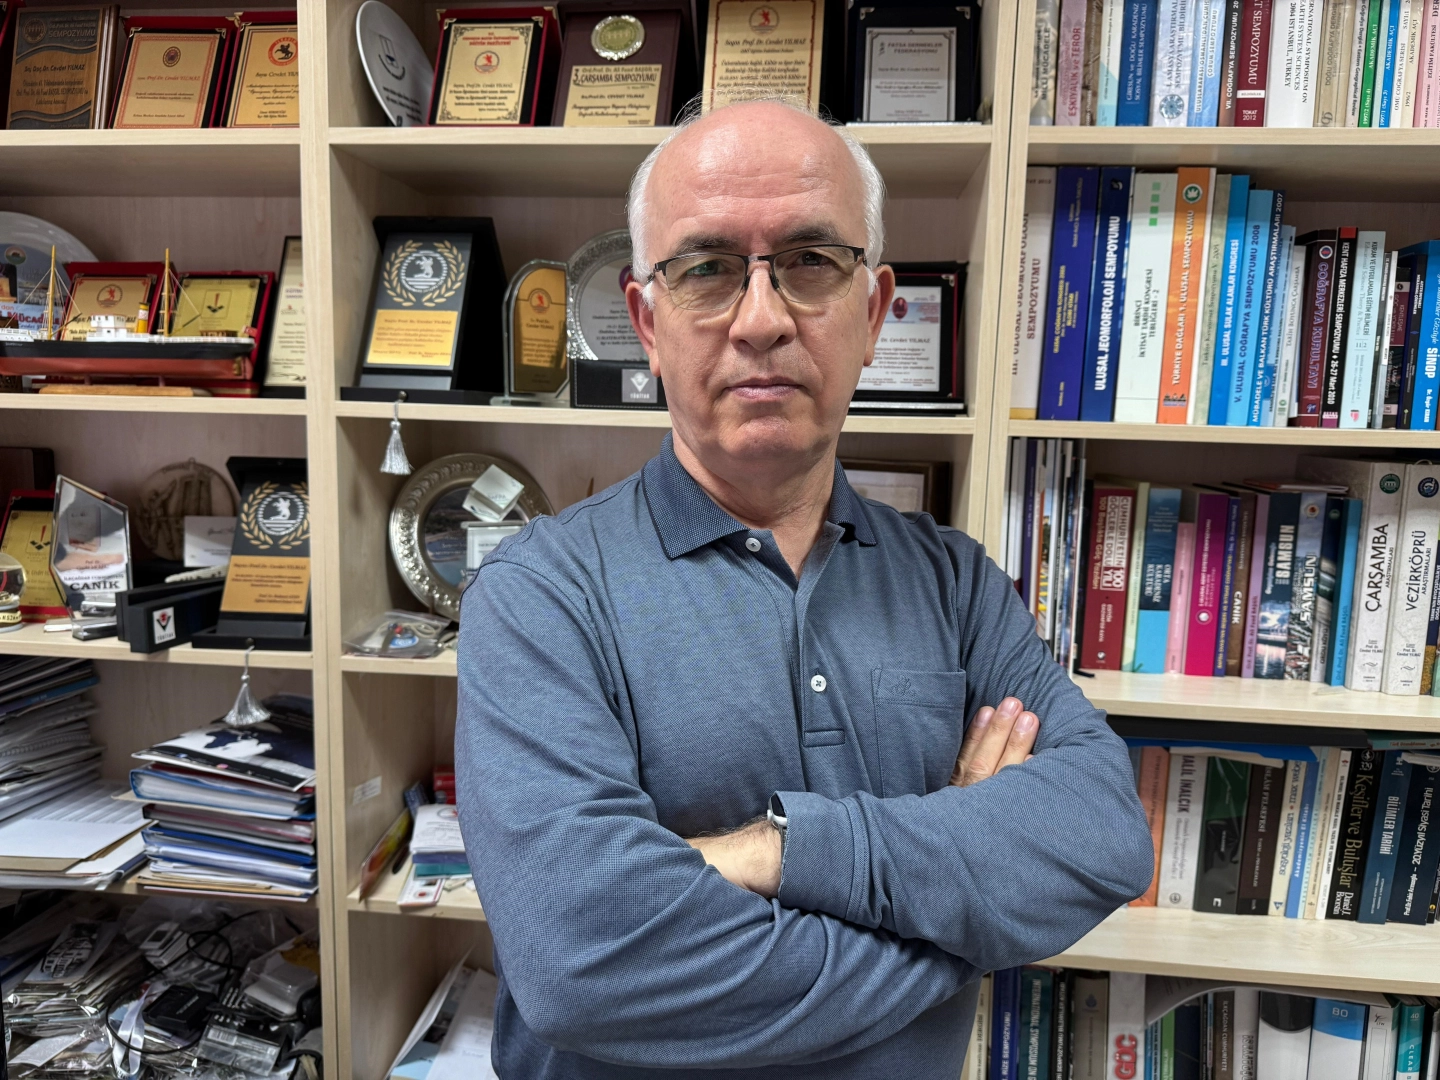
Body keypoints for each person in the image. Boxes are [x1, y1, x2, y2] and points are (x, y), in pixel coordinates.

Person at [455, 97, 1154, 1079]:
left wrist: (775, 849)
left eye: (811, 262)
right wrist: (964, 919)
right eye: (707, 269)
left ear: (873, 313)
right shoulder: (540, 595)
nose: (761, 320)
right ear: (647, 323)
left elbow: (1103, 837)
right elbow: (583, 962)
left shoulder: (956, 584)